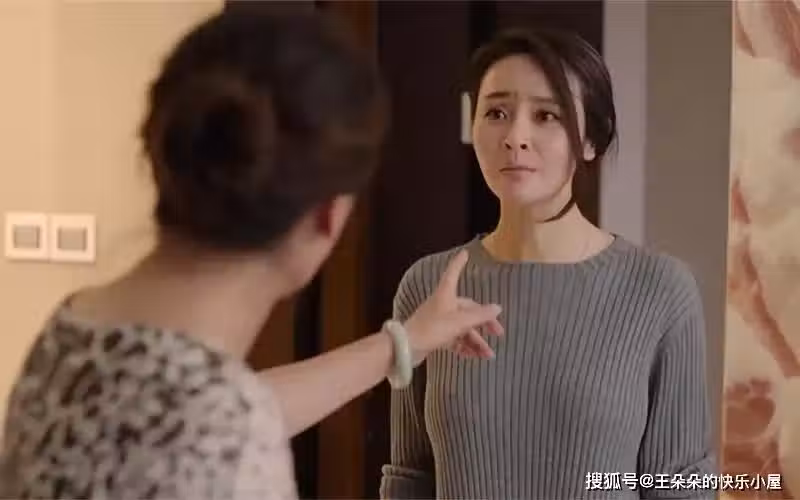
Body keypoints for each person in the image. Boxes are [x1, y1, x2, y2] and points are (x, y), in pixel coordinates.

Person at [0, 10, 505, 500]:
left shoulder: (74, 329)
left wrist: (404, 343)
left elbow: (221, 411)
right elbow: (220, 426)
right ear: (327, 217)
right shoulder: (227, 440)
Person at [380, 28, 717, 499]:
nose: (516, 137)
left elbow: (681, 485)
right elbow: (410, 478)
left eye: (547, 116)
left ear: (591, 140)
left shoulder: (660, 290)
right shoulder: (427, 286)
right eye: (496, 113)